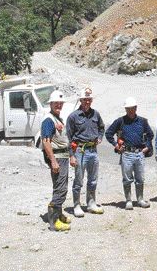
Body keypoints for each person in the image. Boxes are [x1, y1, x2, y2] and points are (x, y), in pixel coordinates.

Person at [105, 97, 154, 210]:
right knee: (127, 179)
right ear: (125, 109)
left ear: (136, 108)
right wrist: (116, 145)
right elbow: (108, 133)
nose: (130, 111)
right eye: (128, 109)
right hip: (126, 153)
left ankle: (140, 200)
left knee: (140, 178)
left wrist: (147, 146)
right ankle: (128, 201)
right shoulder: (120, 121)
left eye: (132, 108)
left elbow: (150, 135)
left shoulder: (143, 121)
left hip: (139, 153)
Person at [66, 87, 105, 217]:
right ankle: (76, 205)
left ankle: (91, 203)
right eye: (85, 100)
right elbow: (69, 137)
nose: (87, 102)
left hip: (93, 150)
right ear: (80, 100)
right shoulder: (73, 117)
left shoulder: (96, 114)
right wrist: (71, 156)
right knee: (78, 180)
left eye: (89, 99)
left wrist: (100, 137)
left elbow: (101, 127)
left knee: (93, 179)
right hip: (79, 150)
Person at [41, 90, 71, 231]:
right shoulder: (48, 120)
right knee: (61, 188)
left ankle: (58, 214)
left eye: (60, 103)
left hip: (62, 157)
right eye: (56, 103)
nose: (58, 105)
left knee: (59, 186)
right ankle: (54, 221)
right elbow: (46, 141)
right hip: (58, 158)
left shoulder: (56, 118)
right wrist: (53, 160)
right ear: (51, 104)